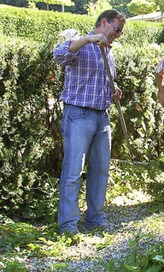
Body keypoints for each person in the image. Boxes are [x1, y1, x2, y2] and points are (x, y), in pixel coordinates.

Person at [54, 9, 126, 235]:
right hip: (78, 115)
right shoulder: (82, 44)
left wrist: (113, 89)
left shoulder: (108, 51)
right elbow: (59, 54)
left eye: (120, 32)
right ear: (103, 22)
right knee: (73, 171)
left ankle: (94, 218)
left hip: (101, 116)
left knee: (101, 171)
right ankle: (68, 224)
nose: (118, 35)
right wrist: (87, 39)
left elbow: (101, 79)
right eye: (116, 29)